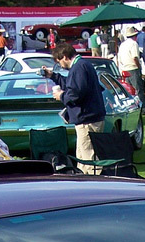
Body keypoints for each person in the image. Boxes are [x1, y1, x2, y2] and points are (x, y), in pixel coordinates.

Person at [42, 43, 106, 171]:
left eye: (59, 61)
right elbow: (73, 85)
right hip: (89, 118)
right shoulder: (82, 65)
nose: (60, 65)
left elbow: (75, 94)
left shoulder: (79, 67)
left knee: (90, 158)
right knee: (82, 159)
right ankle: (82, 184)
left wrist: (61, 96)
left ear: (65, 57)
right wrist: (53, 76)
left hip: (87, 120)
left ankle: (94, 186)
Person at [118, 26, 144, 113]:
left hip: (125, 69)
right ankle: (142, 108)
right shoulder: (134, 44)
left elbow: (120, 59)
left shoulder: (122, 45)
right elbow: (135, 57)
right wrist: (139, 67)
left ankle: (131, 109)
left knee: (128, 92)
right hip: (133, 68)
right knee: (138, 90)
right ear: (134, 36)